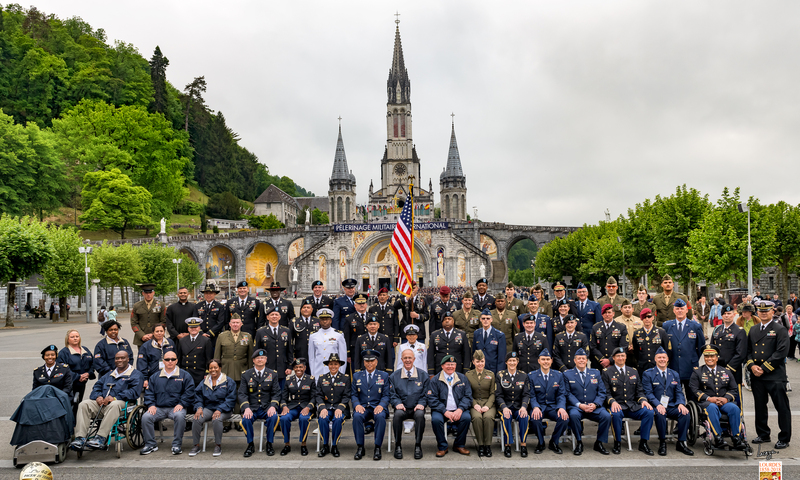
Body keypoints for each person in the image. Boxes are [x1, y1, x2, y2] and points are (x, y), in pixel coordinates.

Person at [70, 351, 143, 450]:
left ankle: (100, 437)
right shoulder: (109, 374)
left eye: (122, 358)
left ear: (128, 359)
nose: (119, 360)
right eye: (117, 358)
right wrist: (98, 396)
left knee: (114, 404)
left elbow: (134, 392)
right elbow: (96, 387)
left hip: (123, 404)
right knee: (84, 404)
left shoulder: (136, 374)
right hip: (103, 404)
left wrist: (114, 398)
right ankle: (80, 438)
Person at [746, 300, 791, 449]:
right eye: (760, 311)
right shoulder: (753, 330)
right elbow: (748, 351)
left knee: (781, 407)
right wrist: (752, 366)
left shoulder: (780, 329)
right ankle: (763, 434)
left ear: (773, 312)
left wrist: (763, 368)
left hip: (774, 375)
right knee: (760, 406)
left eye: (766, 311)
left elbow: (781, 352)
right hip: (757, 376)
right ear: (757, 312)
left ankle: (784, 437)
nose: (763, 313)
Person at [601, 347, 655, 455]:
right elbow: (605, 392)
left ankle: (643, 442)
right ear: (613, 358)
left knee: (649, 412)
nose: (620, 358)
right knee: (615, 414)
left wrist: (643, 400)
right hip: (617, 405)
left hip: (632, 406)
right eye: (618, 356)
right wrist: (612, 402)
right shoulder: (607, 372)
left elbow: (639, 390)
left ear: (626, 357)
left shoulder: (633, 371)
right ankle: (617, 442)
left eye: (622, 356)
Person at [689, 345, 744, 449]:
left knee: (735, 409)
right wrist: (709, 398)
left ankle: (736, 438)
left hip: (724, 402)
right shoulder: (697, 372)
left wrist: (726, 399)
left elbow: (733, 389)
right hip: (706, 403)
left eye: (712, 356)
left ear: (717, 358)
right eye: (707, 356)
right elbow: (694, 389)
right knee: (712, 408)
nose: (709, 359)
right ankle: (718, 437)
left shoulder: (726, 372)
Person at [641, 346, 694, 456]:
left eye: (664, 357)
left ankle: (681, 442)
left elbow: (679, 391)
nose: (662, 360)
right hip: (656, 405)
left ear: (667, 359)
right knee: (660, 414)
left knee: (685, 413)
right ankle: (662, 442)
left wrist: (681, 403)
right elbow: (648, 393)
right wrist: (658, 404)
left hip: (672, 405)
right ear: (655, 359)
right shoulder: (648, 374)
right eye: (659, 357)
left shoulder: (674, 374)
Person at [141, 351, 196, 455]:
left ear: (176, 361)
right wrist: (151, 405)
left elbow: (189, 392)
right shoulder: (155, 376)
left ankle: (176, 445)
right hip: (159, 408)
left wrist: (181, 404)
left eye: (173, 359)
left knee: (180, 416)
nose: (170, 361)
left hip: (177, 407)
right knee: (146, 417)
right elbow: (149, 393)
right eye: (167, 359)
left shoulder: (185, 375)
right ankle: (150, 444)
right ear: (163, 361)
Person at [563, 348, 611, 455]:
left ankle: (599, 442)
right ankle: (579, 442)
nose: (581, 360)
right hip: (577, 407)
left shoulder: (596, 373)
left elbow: (602, 392)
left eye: (583, 358)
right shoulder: (567, 374)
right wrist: (580, 405)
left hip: (594, 406)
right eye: (579, 358)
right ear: (574, 360)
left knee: (606, 416)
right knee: (574, 416)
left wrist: (595, 404)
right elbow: (567, 393)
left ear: (587, 360)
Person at [189, 359, 237, 457]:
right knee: (197, 418)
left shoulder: (228, 381)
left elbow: (231, 399)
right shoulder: (205, 381)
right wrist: (199, 407)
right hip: (209, 408)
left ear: (220, 368)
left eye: (215, 367)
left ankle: (218, 445)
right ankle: (196, 445)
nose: (213, 370)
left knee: (217, 419)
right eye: (211, 368)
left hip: (224, 409)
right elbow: (197, 395)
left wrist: (220, 409)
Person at [427, 355, 473, 457]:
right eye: (448, 364)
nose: (450, 367)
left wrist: (460, 409)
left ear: (456, 366)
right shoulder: (435, 380)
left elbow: (468, 396)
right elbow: (432, 399)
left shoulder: (462, 378)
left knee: (466, 418)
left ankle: (459, 445)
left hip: (458, 409)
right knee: (436, 420)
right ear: (442, 366)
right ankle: (443, 446)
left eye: (452, 364)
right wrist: (444, 411)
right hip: (441, 410)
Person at [239, 349, 281, 457]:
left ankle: (269, 444)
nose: (260, 360)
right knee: (245, 420)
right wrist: (246, 408)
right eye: (257, 358)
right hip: (252, 408)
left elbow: (276, 393)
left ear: (266, 360)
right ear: (253, 360)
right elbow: (242, 394)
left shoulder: (272, 374)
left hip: (267, 407)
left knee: (274, 418)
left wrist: (273, 406)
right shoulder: (246, 374)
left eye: (262, 358)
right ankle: (250, 444)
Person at [389, 348, 429, 459]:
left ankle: (418, 445)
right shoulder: (394, 376)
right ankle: (398, 445)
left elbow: (426, 393)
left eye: (409, 358)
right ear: (401, 359)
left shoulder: (423, 375)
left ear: (414, 359)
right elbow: (392, 393)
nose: (407, 360)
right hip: (402, 408)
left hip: (417, 407)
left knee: (420, 416)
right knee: (397, 415)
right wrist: (397, 403)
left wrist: (421, 403)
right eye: (405, 358)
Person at [351, 349, 390, 460]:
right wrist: (357, 405)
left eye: (372, 361)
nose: (369, 363)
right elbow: (353, 395)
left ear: (376, 362)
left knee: (380, 417)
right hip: (363, 407)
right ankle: (360, 447)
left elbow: (387, 395)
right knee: (357, 417)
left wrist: (381, 405)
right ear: (364, 362)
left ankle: (377, 447)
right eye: (367, 361)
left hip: (377, 407)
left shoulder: (384, 375)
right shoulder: (357, 376)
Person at [528, 348, 568, 454]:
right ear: (539, 361)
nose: (545, 361)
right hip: (539, 406)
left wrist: (561, 408)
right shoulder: (531, 376)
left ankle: (554, 442)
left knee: (564, 418)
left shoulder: (559, 375)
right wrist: (535, 407)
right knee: (535, 419)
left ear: (551, 360)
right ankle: (540, 443)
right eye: (543, 359)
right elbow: (531, 395)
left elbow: (561, 395)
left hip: (553, 407)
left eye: (547, 359)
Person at [663, 298, 705, 390]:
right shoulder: (666, 326)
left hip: (690, 367)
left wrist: (693, 358)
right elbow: (664, 346)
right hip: (672, 366)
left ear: (686, 310)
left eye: (682, 308)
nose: (680, 311)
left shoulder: (695, 326)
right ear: (674, 311)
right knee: (673, 396)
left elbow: (701, 346)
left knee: (692, 397)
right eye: (677, 309)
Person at [315, 353, 351, 457]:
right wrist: (322, 407)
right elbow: (318, 395)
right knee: (322, 419)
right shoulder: (322, 378)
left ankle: (334, 445)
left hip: (340, 408)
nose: (333, 366)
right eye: (331, 364)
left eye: (335, 364)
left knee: (338, 419)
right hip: (326, 408)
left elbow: (346, 395)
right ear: (328, 365)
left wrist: (340, 408)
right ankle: (325, 445)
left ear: (339, 365)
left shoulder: (345, 378)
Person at [495, 352, 530, 457]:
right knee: (506, 417)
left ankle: (523, 444)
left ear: (517, 362)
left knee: (524, 417)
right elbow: (498, 395)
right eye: (510, 360)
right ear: (506, 362)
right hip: (506, 406)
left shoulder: (523, 376)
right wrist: (504, 408)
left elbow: (526, 394)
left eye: (514, 360)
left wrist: (524, 407)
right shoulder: (500, 375)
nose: (512, 363)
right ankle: (507, 445)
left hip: (519, 407)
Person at [279, 358, 316, 456]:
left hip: (306, 407)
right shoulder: (288, 380)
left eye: (300, 367)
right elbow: (283, 398)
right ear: (293, 369)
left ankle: (303, 444)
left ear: (305, 368)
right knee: (284, 418)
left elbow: (314, 397)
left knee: (304, 419)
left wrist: (308, 407)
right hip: (293, 407)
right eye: (296, 367)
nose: (298, 369)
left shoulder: (311, 379)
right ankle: (287, 444)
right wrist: (284, 407)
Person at [711, 304, 747, 404]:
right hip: (717, 370)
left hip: (733, 371)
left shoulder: (739, 331)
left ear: (734, 315)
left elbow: (741, 353)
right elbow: (711, 350)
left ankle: (739, 418)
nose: (727, 316)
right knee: (718, 397)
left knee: (735, 398)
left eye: (729, 313)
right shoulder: (717, 330)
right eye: (724, 314)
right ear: (721, 316)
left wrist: (728, 369)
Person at [466, 350, 496, 457]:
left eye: (482, 361)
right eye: (478, 361)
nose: (480, 364)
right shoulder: (468, 375)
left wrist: (488, 406)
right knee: (477, 418)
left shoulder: (491, 374)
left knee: (488, 417)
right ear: (473, 362)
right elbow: (467, 393)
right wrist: (475, 405)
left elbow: (493, 393)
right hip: (474, 403)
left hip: (488, 403)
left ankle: (488, 445)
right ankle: (481, 445)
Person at [57, 330, 95, 417]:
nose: (75, 338)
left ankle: (77, 423)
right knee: (70, 404)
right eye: (72, 337)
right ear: (67, 339)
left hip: (82, 382)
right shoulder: (64, 352)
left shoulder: (85, 350)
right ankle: (69, 424)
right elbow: (62, 368)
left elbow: (93, 363)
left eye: (77, 336)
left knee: (78, 403)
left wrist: (88, 374)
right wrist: (78, 376)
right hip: (70, 383)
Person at [254, 307, 293, 388]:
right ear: (267, 317)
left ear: (280, 317)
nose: (274, 316)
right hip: (267, 368)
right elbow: (256, 351)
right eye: (272, 315)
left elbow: (289, 350)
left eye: (276, 314)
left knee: (282, 392)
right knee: (267, 392)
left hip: (282, 368)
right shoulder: (260, 332)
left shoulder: (286, 331)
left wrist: (290, 366)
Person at [308, 308, 348, 378]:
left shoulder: (338, 335)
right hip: (318, 371)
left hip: (334, 372)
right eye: (323, 319)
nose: (325, 321)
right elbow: (311, 357)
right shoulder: (313, 335)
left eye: (327, 319)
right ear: (319, 321)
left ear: (331, 320)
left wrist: (341, 373)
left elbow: (342, 356)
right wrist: (313, 373)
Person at [428, 310, 470, 375]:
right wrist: (431, 372)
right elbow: (430, 355)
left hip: (457, 369)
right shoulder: (434, 335)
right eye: (445, 319)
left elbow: (466, 354)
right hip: (439, 369)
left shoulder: (462, 334)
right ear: (442, 322)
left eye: (449, 319)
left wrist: (466, 371)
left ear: (453, 321)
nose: (447, 321)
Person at [631, 308, 670, 375]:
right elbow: (636, 351)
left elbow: (667, 349)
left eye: (649, 317)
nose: (647, 319)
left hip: (658, 366)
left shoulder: (661, 332)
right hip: (643, 367)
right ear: (641, 319)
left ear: (652, 318)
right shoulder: (637, 334)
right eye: (644, 317)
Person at [136, 323, 176, 389]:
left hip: (169, 375)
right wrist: (144, 378)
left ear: (164, 332)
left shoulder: (170, 343)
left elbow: (175, 358)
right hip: (152, 376)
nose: (159, 333)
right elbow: (141, 363)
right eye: (157, 331)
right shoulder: (145, 346)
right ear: (153, 333)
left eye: (161, 331)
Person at [590, 304, 629, 370]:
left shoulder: (621, 327)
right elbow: (592, 347)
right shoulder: (595, 327)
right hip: (598, 363)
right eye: (605, 313)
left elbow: (623, 347)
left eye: (609, 312)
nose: (607, 315)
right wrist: (602, 360)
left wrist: (610, 360)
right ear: (602, 314)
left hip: (615, 363)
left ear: (613, 314)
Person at [178, 317, 214, 387]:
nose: (193, 329)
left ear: (199, 328)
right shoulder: (182, 341)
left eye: (195, 327)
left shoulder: (206, 341)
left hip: (199, 374)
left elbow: (209, 359)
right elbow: (179, 358)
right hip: (185, 373)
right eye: (191, 327)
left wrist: (207, 373)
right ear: (188, 329)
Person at [130, 283, 166, 347]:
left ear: (153, 293)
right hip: (142, 339)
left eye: (150, 292)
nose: (148, 295)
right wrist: (142, 335)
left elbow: (164, 321)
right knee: (142, 356)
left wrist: (154, 334)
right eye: (146, 293)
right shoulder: (137, 306)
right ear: (143, 293)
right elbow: (134, 323)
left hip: (158, 338)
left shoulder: (161, 305)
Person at [471, 309, 506, 375]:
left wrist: (500, 373)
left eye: (488, 318)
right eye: (483, 318)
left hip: (493, 369)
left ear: (491, 319)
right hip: (479, 369)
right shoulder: (477, 333)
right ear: (480, 319)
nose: (485, 320)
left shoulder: (499, 335)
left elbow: (501, 357)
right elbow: (474, 352)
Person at [343, 293, 370, 367]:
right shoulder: (349, 318)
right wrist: (348, 353)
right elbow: (347, 337)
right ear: (355, 306)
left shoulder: (372, 317)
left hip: (370, 350)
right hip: (355, 350)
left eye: (363, 303)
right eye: (359, 303)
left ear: (366, 305)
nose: (361, 305)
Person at [291, 299, 321, 365]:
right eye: (304, 307)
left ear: (312, 309)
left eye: (308, 307)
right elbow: (290, 340)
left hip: (315, 353)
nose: (306, 309)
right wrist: (292, 355)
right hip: (300, 353)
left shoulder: (318, 321)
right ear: (301, 309)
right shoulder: (295, 322)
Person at [615, 299, 642, 368]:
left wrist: (634, 345)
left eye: (629, 307)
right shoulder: (616, 322)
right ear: (621, 309)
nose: (627, 309)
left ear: (632, 309)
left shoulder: (639, 321)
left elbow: (642, 336)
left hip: (637, 351)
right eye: (625, 307)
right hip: (621, 353)